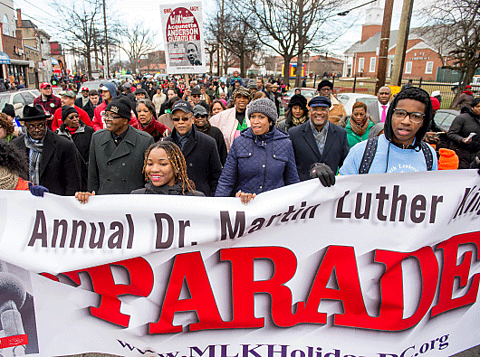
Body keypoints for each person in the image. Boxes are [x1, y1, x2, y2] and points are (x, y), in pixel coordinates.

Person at [215, 98, 300, 203]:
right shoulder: (239, 143)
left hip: (275, 208)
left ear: (270, 120)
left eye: (261, 117)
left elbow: (293, 182)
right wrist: (218, 206)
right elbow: (226, 180)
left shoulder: (285, 144)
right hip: (246, 207)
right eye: (252, 117)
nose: (255, 121)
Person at [339, 86, 438, 175]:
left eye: (416, 116)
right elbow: (344, 190)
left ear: (423, 122)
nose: (406, 121)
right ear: (391, 115)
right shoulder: (361, 152)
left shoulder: (428, 155)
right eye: (400, 113)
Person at [76, 141, 204, 203]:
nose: (154, 169)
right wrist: (92, 202)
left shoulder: (196, 199)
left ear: (176, 167)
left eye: (163, 164)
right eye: (149, 164)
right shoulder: (136, 197)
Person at [87, 96, 154, 194]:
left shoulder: (145, 140)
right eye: (106, 115)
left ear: (125, 120)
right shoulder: (97, 138)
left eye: (113, 116)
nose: (107, 119)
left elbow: (149, 177)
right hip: (105, 200)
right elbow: (93, 175)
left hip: (131, 200)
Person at [11, 104, 82, 195]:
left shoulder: (64, 146)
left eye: (40, 125)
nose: (36, 130)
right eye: (32, 126)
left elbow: (73, 182)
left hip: (54, 201)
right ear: (25, 126)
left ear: (45, 123)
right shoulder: (15, 145)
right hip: (25, 201)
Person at [164, 100, 222, 196]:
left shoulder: (209, 143)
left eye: (185, 118)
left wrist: (211, 198)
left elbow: (216, 176)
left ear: (193, 119)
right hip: (173, 199)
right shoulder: (166, 143)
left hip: (200, 199)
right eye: (176, 119)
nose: (181, 122)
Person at [289, 96, 350, 181]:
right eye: (315, 109)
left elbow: (346, 165)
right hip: (304, 188)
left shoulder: (340, 134)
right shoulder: (294, 134)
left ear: (328, 111)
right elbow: (290, 167)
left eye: (323, 109)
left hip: (330, 188)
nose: (319, 113)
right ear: (309, 111)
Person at [55, 106, 94, 190]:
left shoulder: (88, 132)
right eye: (71, 117)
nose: (75, 119)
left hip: (85, 173)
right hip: (68, 175)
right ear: (65, 120)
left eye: (76, 116)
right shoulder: (59, 135)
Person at [209, 86, 251, 151]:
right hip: (230, 156)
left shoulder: (252, 115)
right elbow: (210, 125)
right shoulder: (224, 116)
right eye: (239, 97)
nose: (242, 100)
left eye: (245, 97)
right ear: (234, 99)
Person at [447, 97, 480, 169]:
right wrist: (462, 140)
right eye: (478, 106)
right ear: (472, 107)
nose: (479, 108)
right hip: (461, 153)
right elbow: (451, 133)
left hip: (476, 154)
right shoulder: (462, 118)